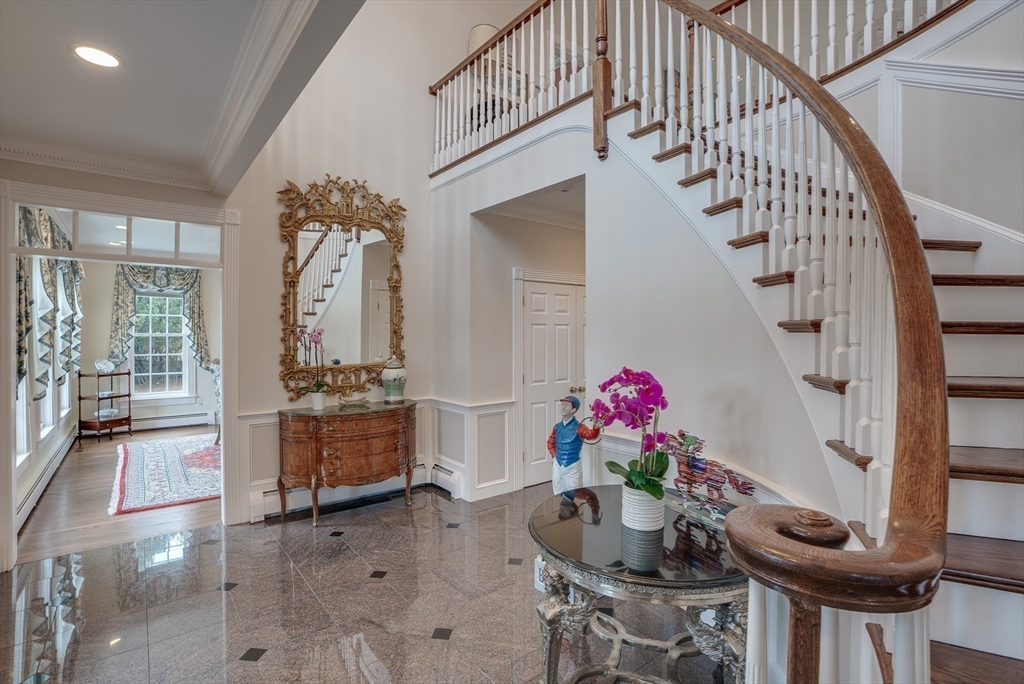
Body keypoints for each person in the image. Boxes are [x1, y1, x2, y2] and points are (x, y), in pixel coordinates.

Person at [547, 395, 588, 517]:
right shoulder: (557, 427)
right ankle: (565, 499)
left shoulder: (579, 427)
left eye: (567, 405)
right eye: (562, 404)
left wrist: (596, 428)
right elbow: (550, 441)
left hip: (572, 462)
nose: (563, 407)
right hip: (558, 461)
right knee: (558, 483)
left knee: (572, 483)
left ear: (573, 410)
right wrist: (554, 454)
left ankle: (566, 502)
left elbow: (589, 434)